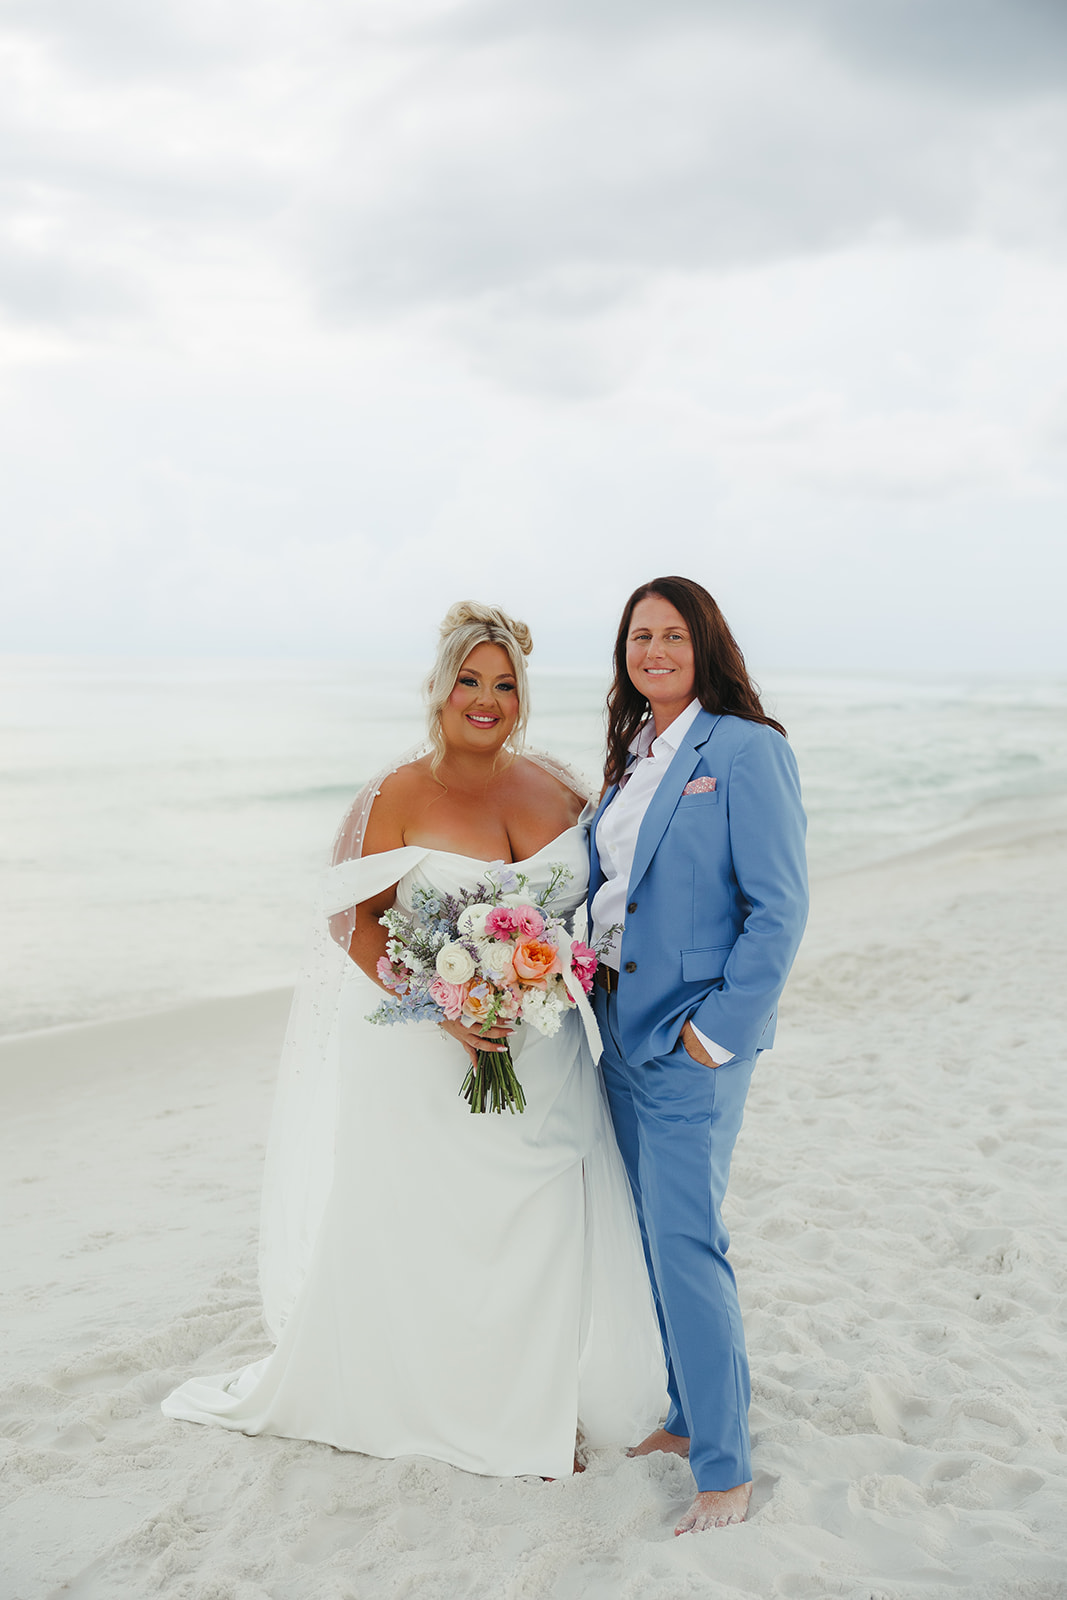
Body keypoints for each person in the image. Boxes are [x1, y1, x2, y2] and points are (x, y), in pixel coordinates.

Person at [162, 601, 666, 1480]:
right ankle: (444, 1397)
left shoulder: (556, 783)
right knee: (437, 1229)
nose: (486, 699)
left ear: (522, 696)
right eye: (469, 680)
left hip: (541, 1051)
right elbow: (347, 917)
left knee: (544, 1225)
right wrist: (446, 1005)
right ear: (438, 688)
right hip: (429, 1055)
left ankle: (536, 1407)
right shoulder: (393, 793)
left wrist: (551, 978)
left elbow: (609, 888)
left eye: (504, 684)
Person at [588, 576, 808, 1533]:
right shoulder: (637, 756)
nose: (654, 651)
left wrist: (712, 1031)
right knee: (655, 1240)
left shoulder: (745, 749)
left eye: (672, 634)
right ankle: (687, 1417)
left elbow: (779, 907)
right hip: (615, 1029)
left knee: (687, 1245)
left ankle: (723, 1470)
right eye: (639, 636)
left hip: (690, 1042)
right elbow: (616, 889)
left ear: (704, 643)